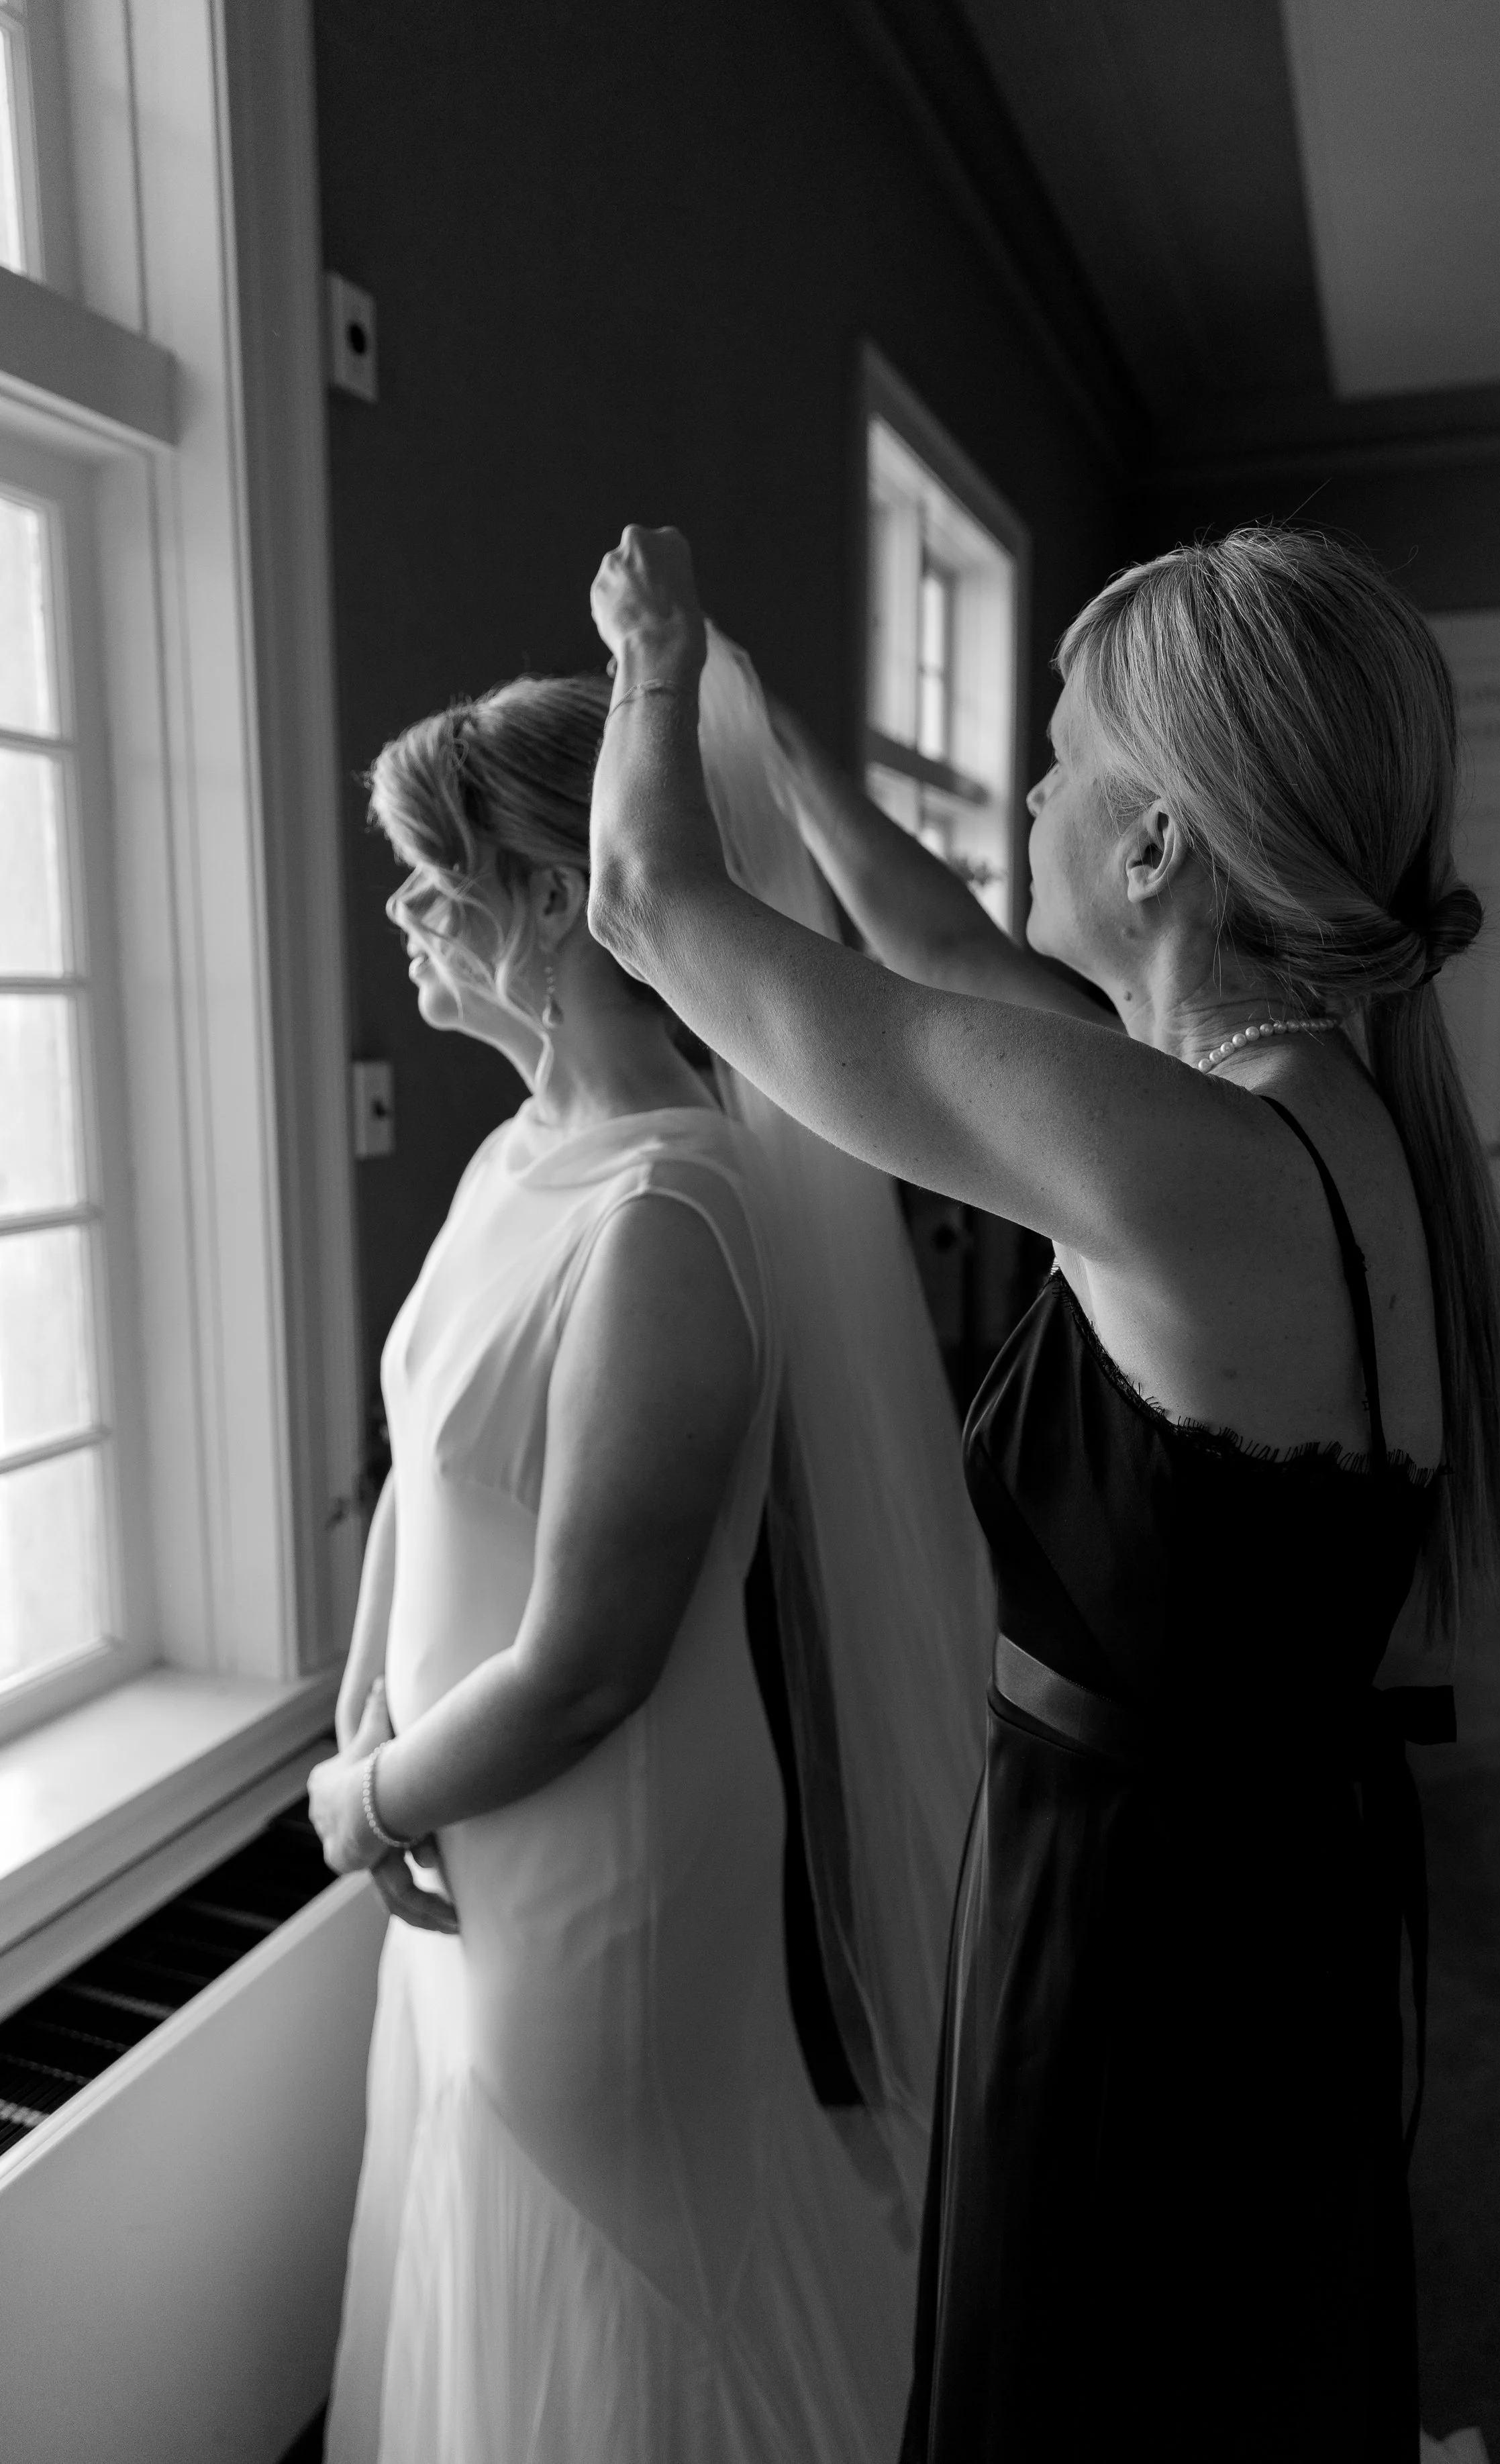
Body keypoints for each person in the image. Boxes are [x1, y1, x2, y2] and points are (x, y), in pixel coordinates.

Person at [585, 522, 1500, 2463]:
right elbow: (939, 952)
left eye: (1057, 754)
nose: (1025, 797)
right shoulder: (1283, 1105)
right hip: (1270, 1873)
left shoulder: (1167, 1152)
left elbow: (646, 905)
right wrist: (789, 750)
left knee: (1084, 2384)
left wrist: (650, 663)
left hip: (1136, 1913)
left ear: (1158, 838)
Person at [305, 660, 991, 2463]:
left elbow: (591, 1660)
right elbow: (421, 1469)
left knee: (629, 2275)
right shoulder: (519, 1152)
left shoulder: (665, 1213)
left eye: (434, 873)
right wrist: (364, 1705)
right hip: (462, 1806)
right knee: (495, 2242)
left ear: (553, 896)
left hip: (603, 1851)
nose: (402, 909)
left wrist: (362, 1800)